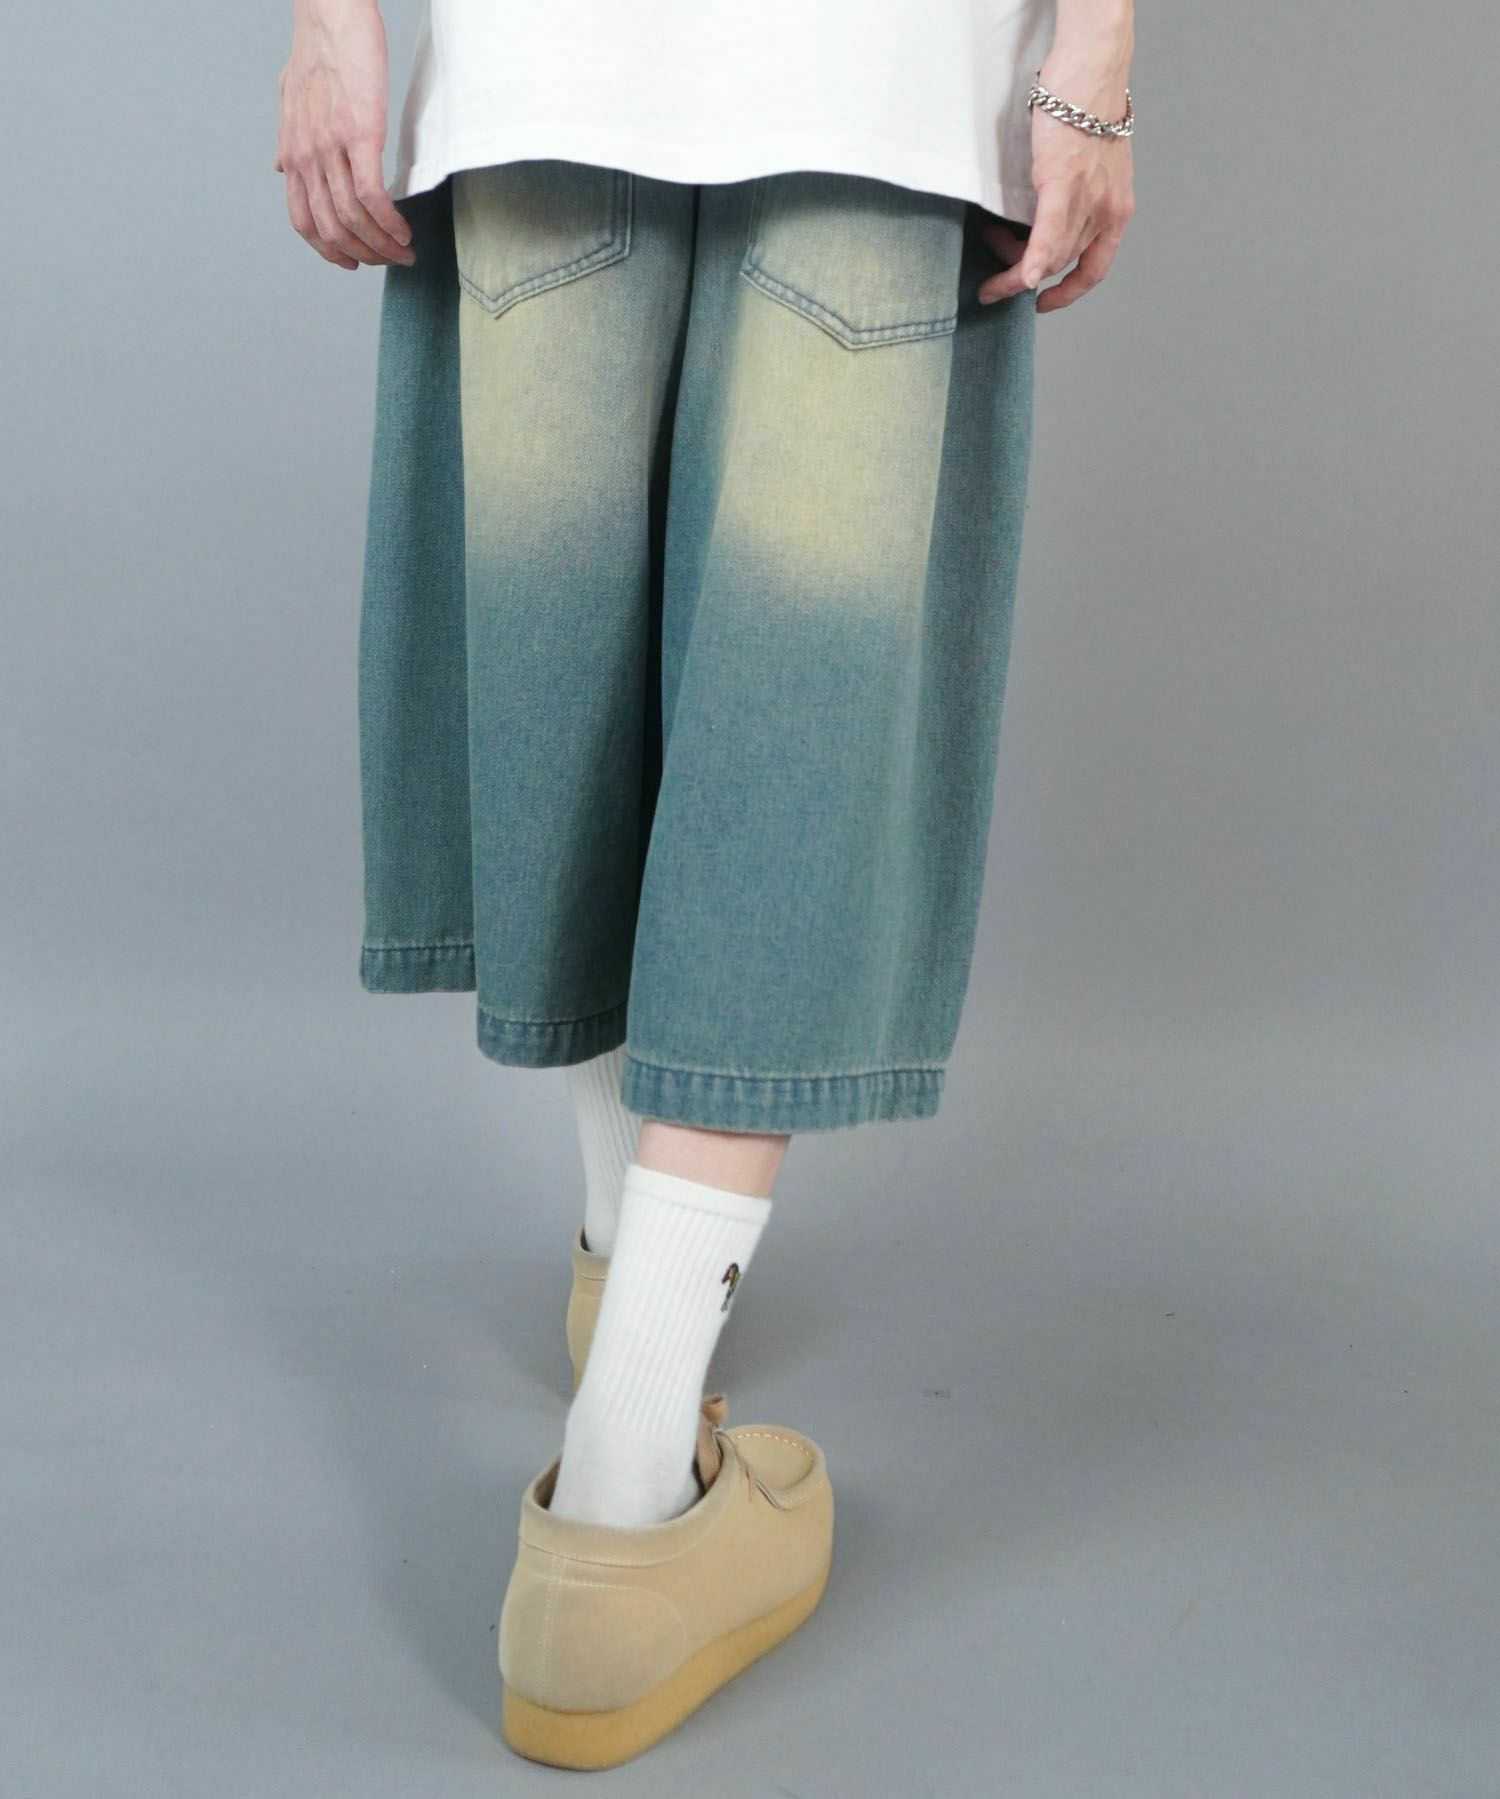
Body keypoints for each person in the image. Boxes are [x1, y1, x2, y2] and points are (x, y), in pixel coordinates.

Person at [276, 0, 1135, 1769]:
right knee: (794, 724)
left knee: (559, 680)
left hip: (538, 69)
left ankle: (627, 1269)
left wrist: (331, 30)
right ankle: (624, 1498)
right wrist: (1095, 64)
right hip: (874, 82)